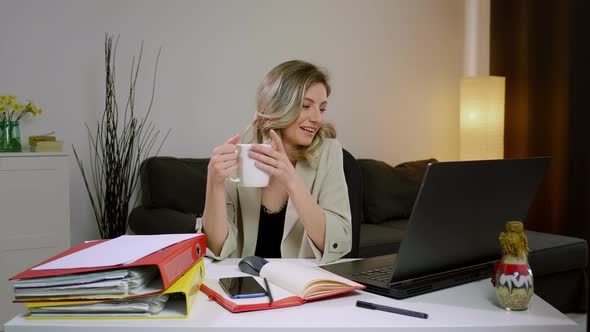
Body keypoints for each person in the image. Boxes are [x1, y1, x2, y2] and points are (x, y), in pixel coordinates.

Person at [198, 60, 351, 264]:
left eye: (321, 109)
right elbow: (215, 247)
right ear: (279, 105)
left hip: (300, 284)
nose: (318, 119)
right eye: (306, 106)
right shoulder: (242, 156)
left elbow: (338, 241)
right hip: (244, 283)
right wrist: (214, 183)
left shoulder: (329, 152)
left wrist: (292, 182)